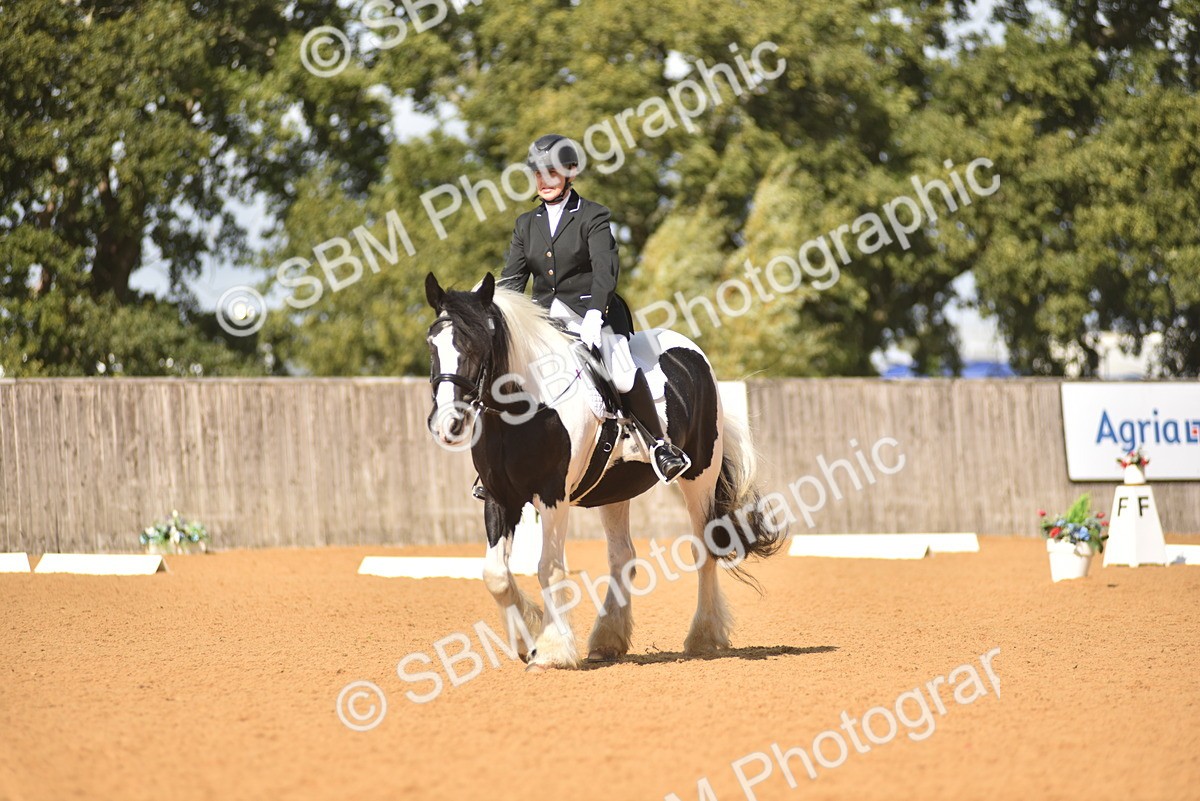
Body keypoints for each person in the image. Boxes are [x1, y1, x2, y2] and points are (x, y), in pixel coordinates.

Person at [497, 133, 689, 485]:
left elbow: (605, 270)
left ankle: (658, 446)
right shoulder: (526, 224)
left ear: (570, 173)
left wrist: (595, 314)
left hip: (593, 314)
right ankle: (498, 460)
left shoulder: (592, 215)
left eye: (552, 173)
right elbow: (512, 280)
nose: (544, 181)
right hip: (545, 320)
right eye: (538, 174)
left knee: (621, 372)